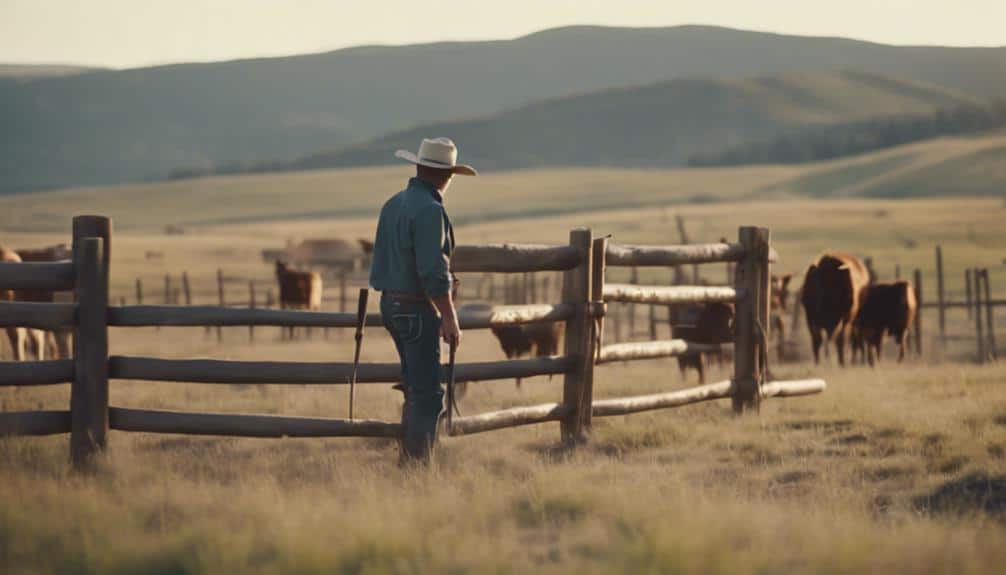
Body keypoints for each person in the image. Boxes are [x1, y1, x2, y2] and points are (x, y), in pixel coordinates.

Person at [368, 137, 477, 462]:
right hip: (416, 308)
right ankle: (416, 467)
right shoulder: (430, 210)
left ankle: (409, 458)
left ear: (418, 166)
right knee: (428, 394)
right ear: (449, 176)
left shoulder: (393, 204)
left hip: (391, 302)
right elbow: (432, 269)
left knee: (415, 387)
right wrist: (449, 314)